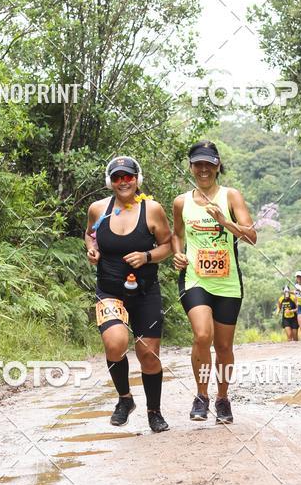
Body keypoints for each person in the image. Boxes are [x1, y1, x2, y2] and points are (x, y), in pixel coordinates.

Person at [85, 156, 172, 433]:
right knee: (115, 344)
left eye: (128, 177)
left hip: (145, 292)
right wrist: (92, 249)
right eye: (117, 177)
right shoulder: (98, 209)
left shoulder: (152, 210)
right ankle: (125, 399)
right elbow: (90, 235)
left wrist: (147, 256)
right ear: (109, 182)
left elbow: (167, 245)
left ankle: (154, 411)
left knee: (148, 354)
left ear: (137, 179)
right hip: (110, 291)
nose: (123, 182)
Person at [172, 140, 256, 424]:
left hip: (228, 282)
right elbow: (176, 234)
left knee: (223, 346)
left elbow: (251, 236)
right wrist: (178, 254)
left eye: (209, 164)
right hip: (195, 279)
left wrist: (224, 221)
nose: (203, 169)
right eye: (198, 164)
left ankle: (222, 398)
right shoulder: (181, 202)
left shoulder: (230, 196)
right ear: (191, 167)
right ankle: (201, 396)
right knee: (202, 335)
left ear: (218, 166)